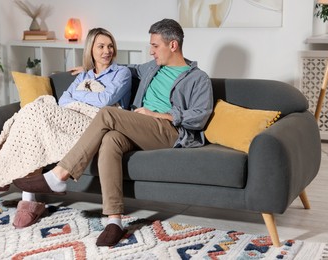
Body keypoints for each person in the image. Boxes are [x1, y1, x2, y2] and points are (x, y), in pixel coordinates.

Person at [13, 18, 214, 247]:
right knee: (110, 140)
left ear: (173, 45)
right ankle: (114, 220)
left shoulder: (197, 78)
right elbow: (126, 70)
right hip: (140, 125)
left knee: (108, 114)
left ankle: (59, 175)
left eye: (155, 46)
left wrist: (160, 115)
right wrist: (92, 68)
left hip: (169, 130)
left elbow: (200, 116)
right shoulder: (151, 68)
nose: (151, 51)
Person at [0, 27, 132, 227]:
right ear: (91, 50)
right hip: (73, 115)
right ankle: (26, 198)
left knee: (36, 111)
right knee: (35, 116)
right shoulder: (83, 77)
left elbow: (105, 100)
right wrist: (85, 86)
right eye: (101, 46)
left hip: (98, 122)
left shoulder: (122, 73)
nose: (107, 51)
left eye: (110, 46)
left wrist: (81, 92)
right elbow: (65, 101)